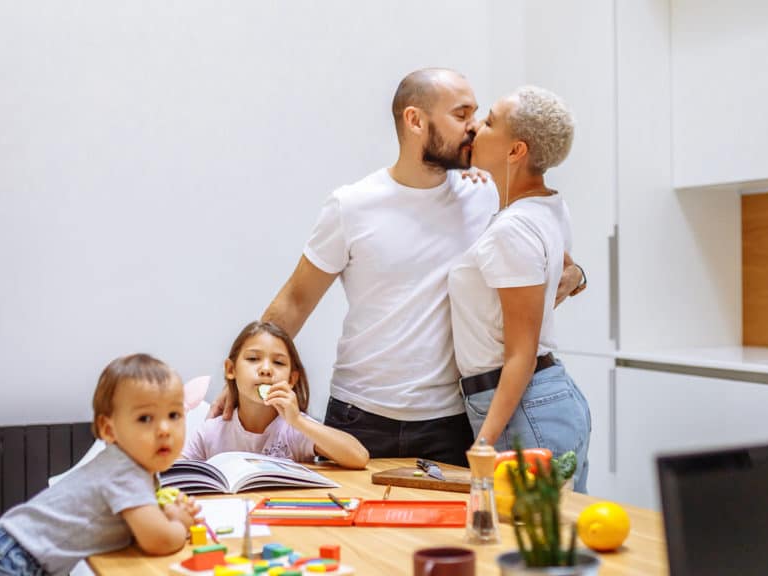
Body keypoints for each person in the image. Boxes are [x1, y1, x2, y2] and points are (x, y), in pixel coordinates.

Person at [211, 68, 585, 465]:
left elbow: (556, 258)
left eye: (478, 115)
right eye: (462, 116)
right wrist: (244, 376)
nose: (474, 128)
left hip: (452, 421)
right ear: (415, 120)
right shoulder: (352, 204)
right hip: (357, 418)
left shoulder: (488, 195)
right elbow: (296, 301)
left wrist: (577, 277)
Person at [450, 86, 591, 491]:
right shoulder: (549, 206)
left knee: (536, 545)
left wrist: (483, 443)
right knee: (552, 542)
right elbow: (566, 272)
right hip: (545, 400)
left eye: (490, 121)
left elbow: (522, 353)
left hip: (523, 408)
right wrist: (578, 274)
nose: (476, 127)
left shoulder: (512, 229)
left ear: (516, 151)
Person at [0, 354, 202, 576]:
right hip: (5, 563)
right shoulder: (125, 472)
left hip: (2, 553)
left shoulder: (129, 468)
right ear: (108, 429)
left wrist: (164, 513)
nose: (165, 430)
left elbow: (139, 528)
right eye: (145, 418)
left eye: (174, 415)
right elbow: (158, 540)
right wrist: (178, 522)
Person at [182, 321, 369, 469]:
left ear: (291, 379)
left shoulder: (295, 429)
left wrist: (298, 421)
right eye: (253, 359)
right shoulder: (210, 432)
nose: (265, 370)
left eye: (278, 363)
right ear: (231, 369)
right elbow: (175, 476)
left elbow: (359, 457)